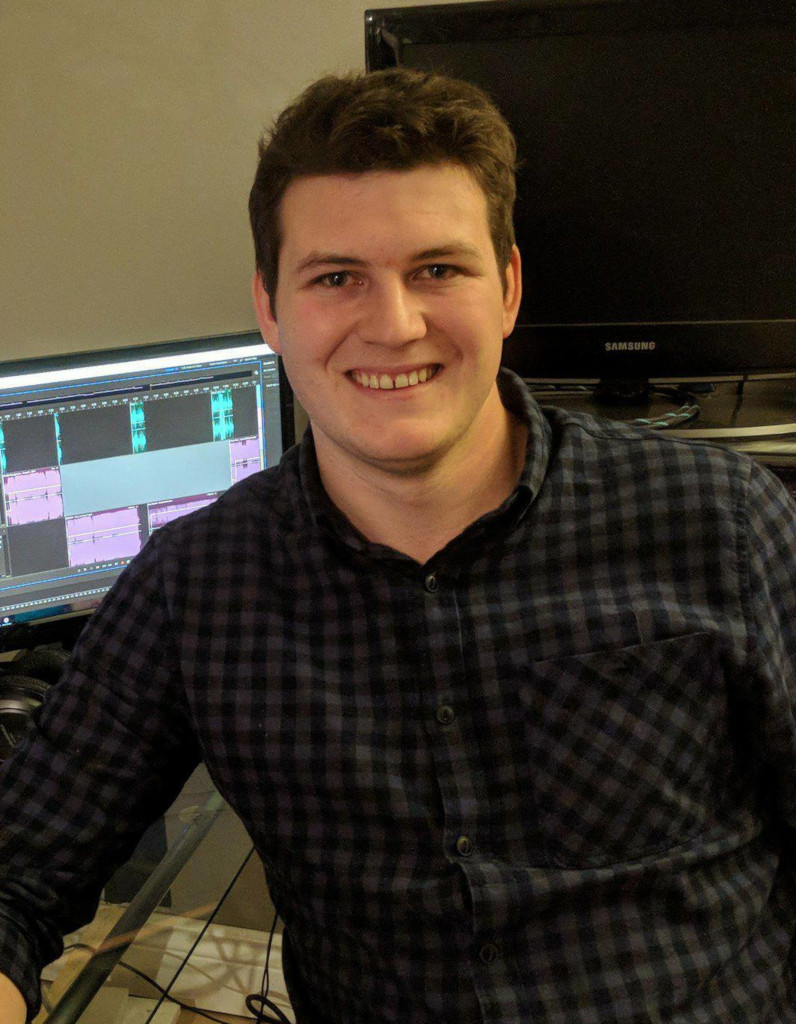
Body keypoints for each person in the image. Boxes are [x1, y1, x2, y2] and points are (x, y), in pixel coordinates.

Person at [2, 67, 796, 1024]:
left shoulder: (720, 521)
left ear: (508, 288)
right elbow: (19, 879)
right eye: (337, 278)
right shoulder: (195, 583)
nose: (395, 325)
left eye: (438, 270)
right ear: (271, 310)